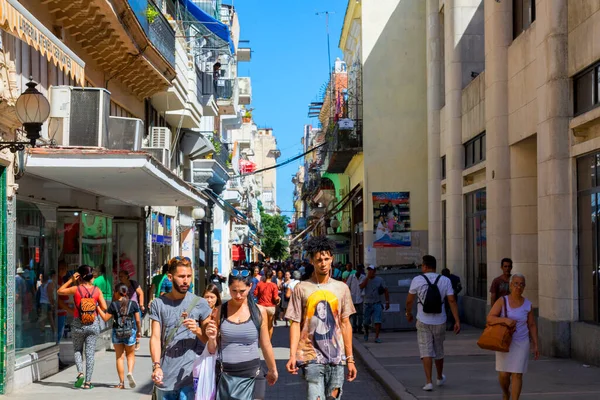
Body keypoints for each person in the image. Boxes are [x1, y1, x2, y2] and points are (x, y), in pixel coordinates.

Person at [286, 236, 357, 400]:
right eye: (319, 260)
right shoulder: (301, 288)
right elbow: (295, 323)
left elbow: (345, 324)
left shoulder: (341, 288)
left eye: (326, 259)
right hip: (310, 357)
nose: (323, 263)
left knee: (334, 397)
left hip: (337, 358)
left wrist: (350, 359)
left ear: (332, 258)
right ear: (312, 261)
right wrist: (292, 355)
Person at [149, 258, 215, 400]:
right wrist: (156, 365)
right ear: (170, 277)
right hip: (165, 377)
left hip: (191, 378)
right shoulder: (158, 304)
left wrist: (197, 330)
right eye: (181, 276)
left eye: (189, 276)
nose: (186, 281)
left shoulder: (200, 304)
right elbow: (155, 337)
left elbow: (210, 342)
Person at [216, 268, 278, 400]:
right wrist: (210, 337)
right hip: (226, 376)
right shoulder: (219, 311)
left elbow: (265, 343)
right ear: (228, 288)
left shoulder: (259, 311)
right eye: (234, 291)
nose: (238, 295)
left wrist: (273, 369)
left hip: (253, 375)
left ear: (250, 287)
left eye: (242, 291)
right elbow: (212, 347)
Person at [405, 255, 460, 392]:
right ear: (435, 267)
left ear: (424, 266)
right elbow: (452, 301)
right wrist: (457, 320)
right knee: (439, 350)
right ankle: (439, 377)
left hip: (423, 320)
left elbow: (409, 301)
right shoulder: (445, 280)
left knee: (426, 351)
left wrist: (408, 313)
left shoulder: (417, 280)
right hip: (440, 320)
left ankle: (428, 382)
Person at [487, 274, 539, 400]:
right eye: (515, 283)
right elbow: (490, 318)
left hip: (521, 342)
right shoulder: (502, 301)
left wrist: (536, 344)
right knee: (504, 374)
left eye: (521, 284)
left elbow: (531, 324)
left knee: (517, 374)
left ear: (524, 287)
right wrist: (505, 320)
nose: (518, 287)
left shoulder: (527, 304)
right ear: (510, 285)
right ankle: (506, 393)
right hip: (504, 342)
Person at [57, 265, 108, 389]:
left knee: (77, 350)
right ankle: (88, 383)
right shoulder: (97, 290)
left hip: (78, 324)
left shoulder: (76, 289)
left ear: (79, 276)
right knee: (90, 353)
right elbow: (105, 307)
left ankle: (80, 374)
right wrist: (93, 305)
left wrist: (70, 280)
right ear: (91, 277)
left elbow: (59, 291)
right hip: (93, 324)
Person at [97, 283, 142, 389]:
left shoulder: (114, 305)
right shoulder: (133, 304)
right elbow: (138, 320)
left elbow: (105, 318)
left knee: (119, 357)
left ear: (117, 292)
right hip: (130, 332)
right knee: (130, 355)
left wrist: (97, 307)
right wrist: (139, 331)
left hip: (117, 332)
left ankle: (121, 383)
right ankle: (130, 372)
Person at [360, 265, 390, 343]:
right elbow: (361, 286)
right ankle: (366, 332)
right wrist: (367, 278)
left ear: (374, 271)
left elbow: (385, 290)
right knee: (366, 322)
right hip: (367, 303)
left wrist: (387, 302)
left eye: (371, 270)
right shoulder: (365, 279)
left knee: (377, 320)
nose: (370, 272)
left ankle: (377, 337)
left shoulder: (380, 280)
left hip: (377, 303)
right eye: (369, 270)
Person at [118, 270, 145, 350]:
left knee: (136, 324)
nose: (120, 278)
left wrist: (141, 304)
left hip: (135, 307)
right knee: (126, 325)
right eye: (119, 276)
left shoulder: (133, 283)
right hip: (125, 308)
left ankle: (137, 340)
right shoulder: (120, 286)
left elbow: (141, 293)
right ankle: (128, 341)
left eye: (122, 276)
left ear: (127, 276)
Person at [253, 268, 280, 339]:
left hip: (261, 307)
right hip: (270, 307)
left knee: (262, 325)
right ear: (272, 276)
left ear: (264, 275)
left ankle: (262, 340)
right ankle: (268, 340)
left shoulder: (259, 284)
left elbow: (255, 294)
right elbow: (275, 297)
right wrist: (278, 300)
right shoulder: (274, 285)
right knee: (270, 325)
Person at [346, 264, 366, 334]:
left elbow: (365, 287)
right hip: (353, 298)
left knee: (360, 314)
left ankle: (360, 328)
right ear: (356, 269)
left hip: (360, 298)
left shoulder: (363, 277)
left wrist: (363, 294)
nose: (359, 270)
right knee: (354, 314)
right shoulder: (351, 277)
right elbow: (347, 286)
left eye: (361, 269)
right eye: (358, 268)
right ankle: (354, 328)